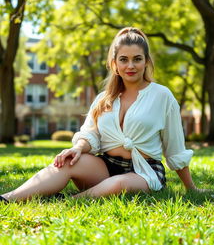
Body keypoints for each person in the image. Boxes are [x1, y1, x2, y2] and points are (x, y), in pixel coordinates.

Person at [0, 27, 202, 203]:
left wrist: (190, 187)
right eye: (123, 59)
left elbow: (175, 147)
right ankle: (8, 199)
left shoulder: (162, 96)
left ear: (146, 62)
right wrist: (78, 148)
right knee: (67, 161)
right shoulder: (103, 99)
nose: (130, 66)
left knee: (119, 183)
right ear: (114, 64)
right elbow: (91, 134)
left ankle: (69, 201)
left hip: (144, 172)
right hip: (105, 166)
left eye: (137, 59)